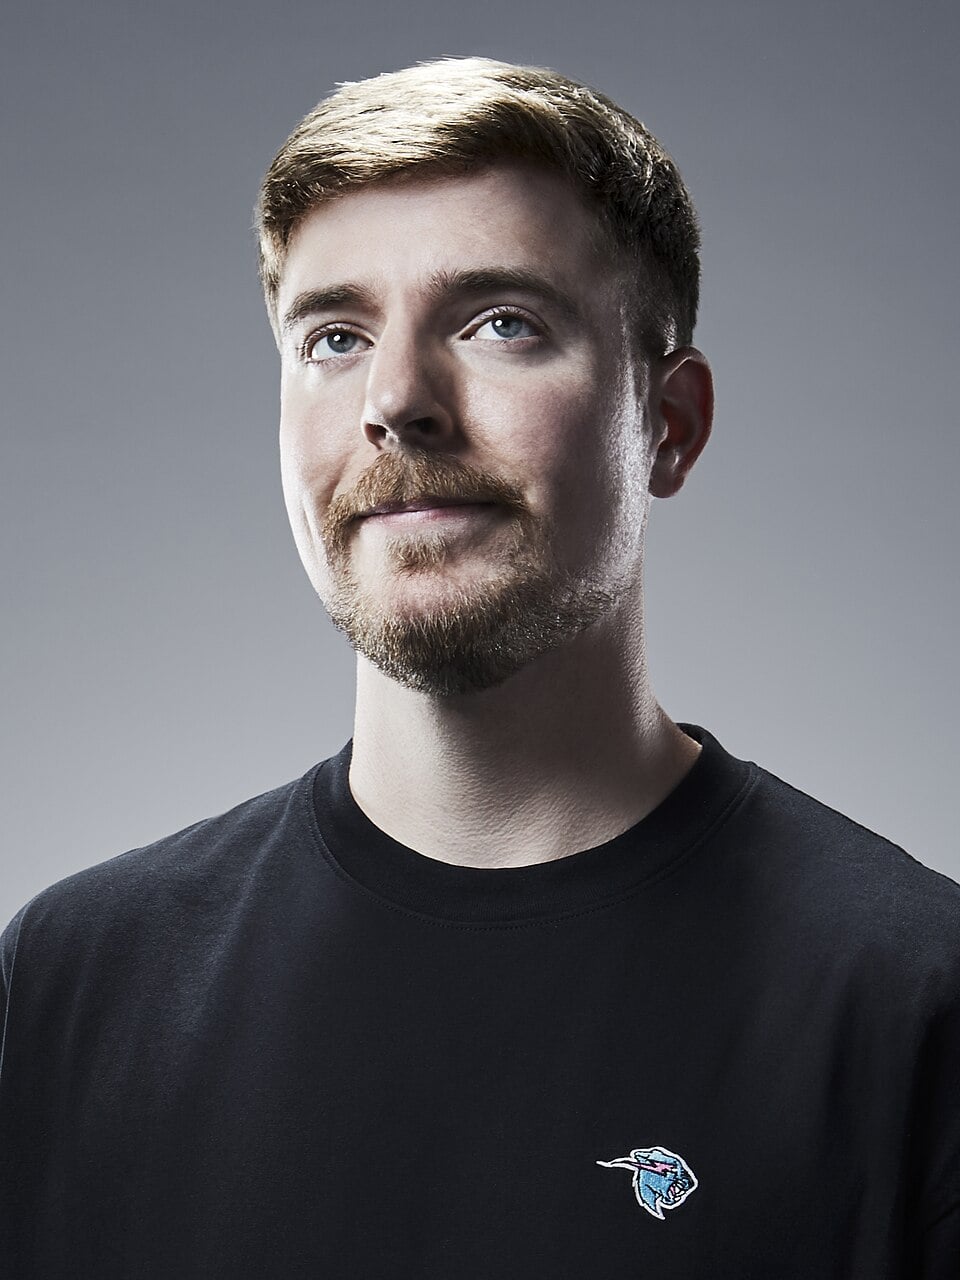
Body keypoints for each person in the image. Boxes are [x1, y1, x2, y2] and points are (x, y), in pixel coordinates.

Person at [1, 56, 957, 1279]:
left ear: (670, 424)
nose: (397, 401)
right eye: (333, 336)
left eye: (499, 322)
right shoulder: (71, 985)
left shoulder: (914, 1008)